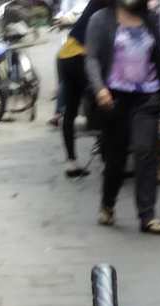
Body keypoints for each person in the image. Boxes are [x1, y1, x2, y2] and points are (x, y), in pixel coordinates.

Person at [84, 0, 160, 234]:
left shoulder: (151, 20)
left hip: (147, 97)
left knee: (145, 151)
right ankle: (107, 204)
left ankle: (147, 216)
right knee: (116, 159)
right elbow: (91, 58)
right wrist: (99, 88)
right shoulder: (101, 19)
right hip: (114, 99)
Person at [55, 0, 108, 176]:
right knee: (105, 103)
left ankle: (72, 163)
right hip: (80, 58)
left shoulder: (96, 5)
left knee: (70, 112)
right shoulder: (108, 5)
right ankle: (109, 160)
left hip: (65, 56)